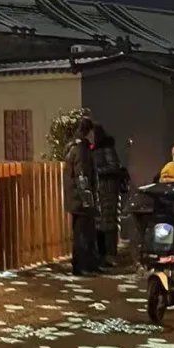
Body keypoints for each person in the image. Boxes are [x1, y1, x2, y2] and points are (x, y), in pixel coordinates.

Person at [64, 116, 99, 275]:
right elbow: (82, 176)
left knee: (81, 234)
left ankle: (84, 265)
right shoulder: (82, 150)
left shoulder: (73, 147)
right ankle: (83, 267)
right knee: (83, 234)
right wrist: (88, 200)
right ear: (88, 132)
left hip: (75, 200)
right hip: (81, 201)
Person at [92, 125, 131, 268]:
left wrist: (96, 171)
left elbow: (113, 167)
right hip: (103, 191)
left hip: (108, 191)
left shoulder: (106, 149)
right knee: (103, 224)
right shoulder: (98, 149)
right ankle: (104, 255)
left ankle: (110, 255)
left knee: (108, 224)